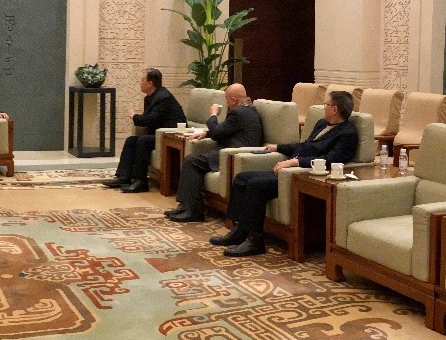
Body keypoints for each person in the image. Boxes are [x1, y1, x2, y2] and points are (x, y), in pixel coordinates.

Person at [217, 91, 358, 257]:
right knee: (242, 178)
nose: (324, 107)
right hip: (290, 170)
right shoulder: (322, 124)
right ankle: (239, 231)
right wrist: (278, 147)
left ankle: (255, 241)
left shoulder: (348, 134)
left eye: (326, 104)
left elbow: (330, 160)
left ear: (334, 109)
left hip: (302, 175)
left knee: (256, 185)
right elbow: (304, 146)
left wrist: (294, 162)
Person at [165, 84, 264, 222]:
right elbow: (226, 129)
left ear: (233, 100)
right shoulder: (249, 110)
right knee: (193, 160)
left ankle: (193, 210)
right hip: (233, 151)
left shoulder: (238, 112)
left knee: (191, 161)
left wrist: (213, 115)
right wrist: (206, 133)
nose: (226, 103)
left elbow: (217, 132)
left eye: (226, 99)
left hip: (232, 154)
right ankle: (186, 206)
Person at [104, 68, 186, 193]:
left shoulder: (163, 97)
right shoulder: (149, 98)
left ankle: (141, 182)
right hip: (157, 133)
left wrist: (134, 116)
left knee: (143, 141)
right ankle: (123, 176)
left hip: (169, 136)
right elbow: (147, 119)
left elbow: (150, 119)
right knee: (131, 140)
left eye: (142, 80)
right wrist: (138, 118)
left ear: (150, 83)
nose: (140, 83)